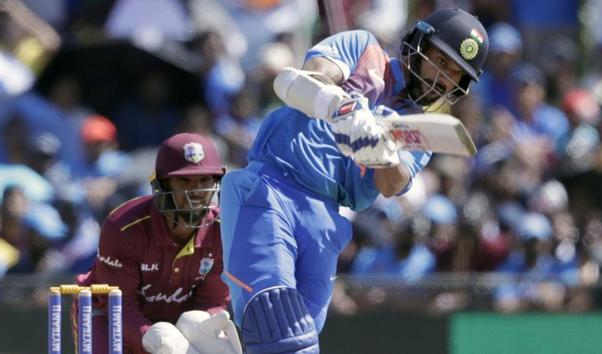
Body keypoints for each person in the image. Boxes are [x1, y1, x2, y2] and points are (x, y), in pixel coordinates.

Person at [220, 8, 489, 353]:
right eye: (440, 60)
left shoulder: (419, 129)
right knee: (276, 324)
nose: (443, 78)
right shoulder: (365, 50)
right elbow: (301, 80)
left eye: (455, 74)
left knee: (301, 340)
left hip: (326, 222)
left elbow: (392, 185)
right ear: (418, 43)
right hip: (273, 192)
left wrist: (382, 150)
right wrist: (343, 109)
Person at [74, 133, 241, 354]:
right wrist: (148, 334)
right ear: (162, 184)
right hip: (107, 315)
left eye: (204, 180)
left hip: (172, 326)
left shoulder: (223, 229)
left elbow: (212, 299)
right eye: (184, 181)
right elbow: (119, 304)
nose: (196, 192)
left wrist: (202, 324)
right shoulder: (124, 227)